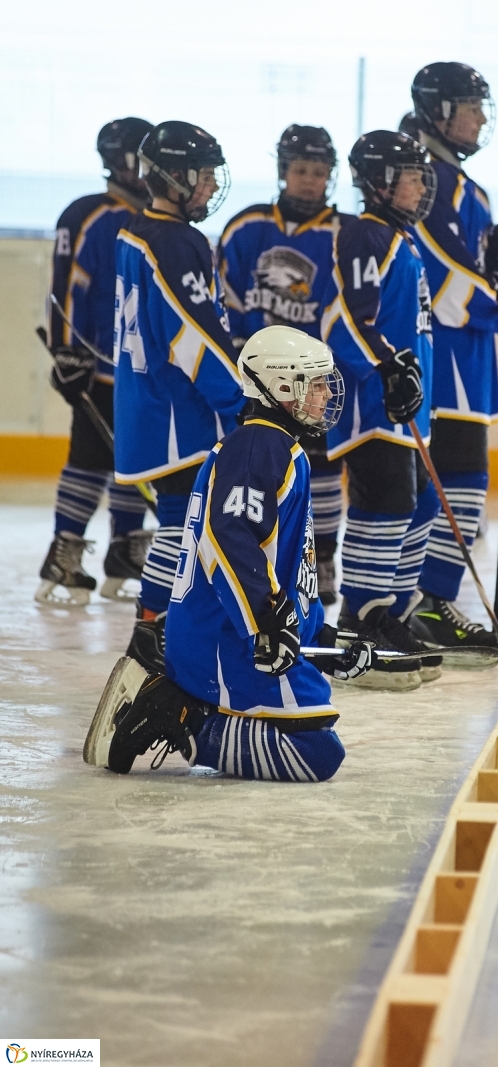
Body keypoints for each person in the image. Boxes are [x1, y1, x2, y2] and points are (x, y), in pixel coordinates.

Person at [83, 326, 372, 780]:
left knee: (318, 729)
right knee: (314, 753)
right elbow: (228, 536)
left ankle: (186, 707)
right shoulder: (259, 445)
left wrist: (322, 641)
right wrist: (266, 622)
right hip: (224, 637)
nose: (323, 394)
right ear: (281, 388)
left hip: (235, 631)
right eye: (313, 384)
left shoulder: (274, 446)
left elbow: (287, 566)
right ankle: (179, 713)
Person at [406, 62, 498, 665]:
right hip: (433, 352)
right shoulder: (420, 178)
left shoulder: (464, 184)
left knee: (463, 479)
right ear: (440, 111)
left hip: (465, 355)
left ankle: (430, 599)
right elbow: (438, 269)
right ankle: (407, 601)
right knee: (435, 479)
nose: (482, 119)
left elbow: (474, 256)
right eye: (472, 106)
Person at [114, 120, 246, 662]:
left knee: (183, 516)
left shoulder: (135, 231)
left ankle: (164, 623)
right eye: (205, 175)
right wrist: (244, 400)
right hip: (177, 414)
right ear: (173, 177)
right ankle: (153, 629)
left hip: (149, 406)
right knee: (182, 520)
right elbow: (189, 334)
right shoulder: (176, 240)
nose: (213, 186)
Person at [321, 130, 441, 691]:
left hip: (403, 403)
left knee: (415, 504)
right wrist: (390, 367)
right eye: (412, 177)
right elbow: (345, 317)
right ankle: (360, 616)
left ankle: (390, 608)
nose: (421, 187)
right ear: (382, 182)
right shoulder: (366, 235)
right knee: (386, 500)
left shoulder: (401, 239)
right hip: (370, 402)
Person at [217, 125, 348, 606]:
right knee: (258, 462)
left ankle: (322, 556)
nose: (309, 181)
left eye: (319, 172)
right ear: (282, 172)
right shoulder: (246, 227)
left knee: (323, 465)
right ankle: (263, 552)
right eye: (300, 170)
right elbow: (222, 300)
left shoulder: (342, 233)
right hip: (259, 378)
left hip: (315, 378)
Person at [36, 117, 154, 606]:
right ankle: (63, 555)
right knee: (87, 461)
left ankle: (125, 551)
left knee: (134, 461)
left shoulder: (155, 219)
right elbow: (67, 289)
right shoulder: (90, 213)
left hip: (140, 371)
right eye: (143, 159)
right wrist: (68, 351)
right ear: (121, 161)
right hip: (98, 366)